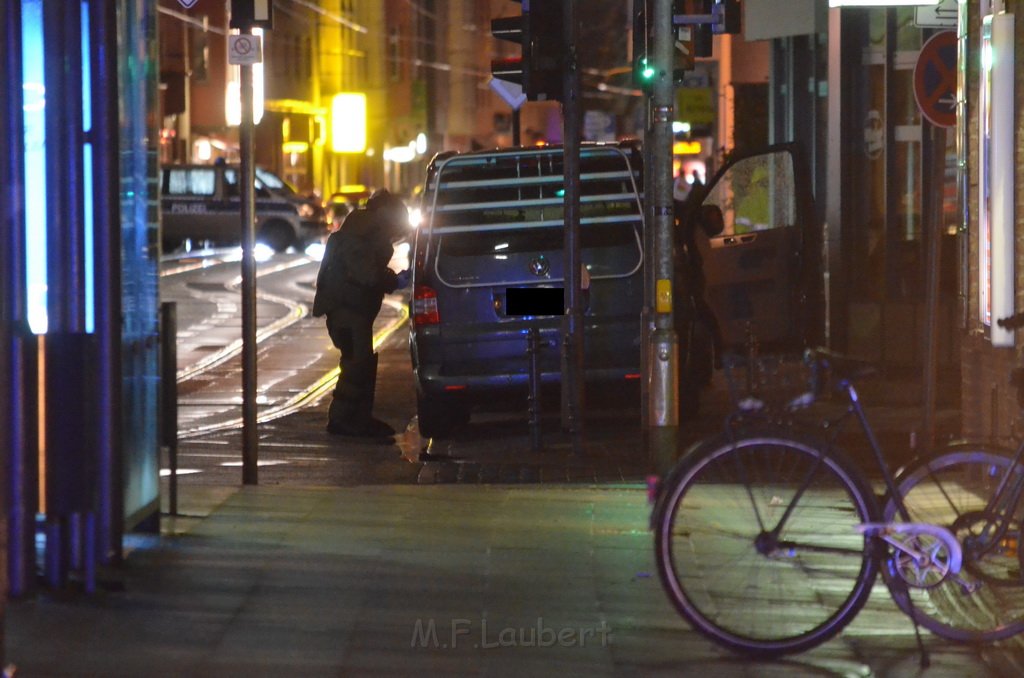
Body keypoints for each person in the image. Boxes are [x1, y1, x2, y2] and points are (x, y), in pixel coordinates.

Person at [312, 189, 411, 438]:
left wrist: (391, 279)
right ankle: (345, 420)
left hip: (351, 309)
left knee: (359, 362)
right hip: (349, 310)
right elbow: (366, 274)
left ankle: (356, 418)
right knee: (356, 365)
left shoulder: (360, 231)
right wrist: (394, 281)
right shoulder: (362, 236)